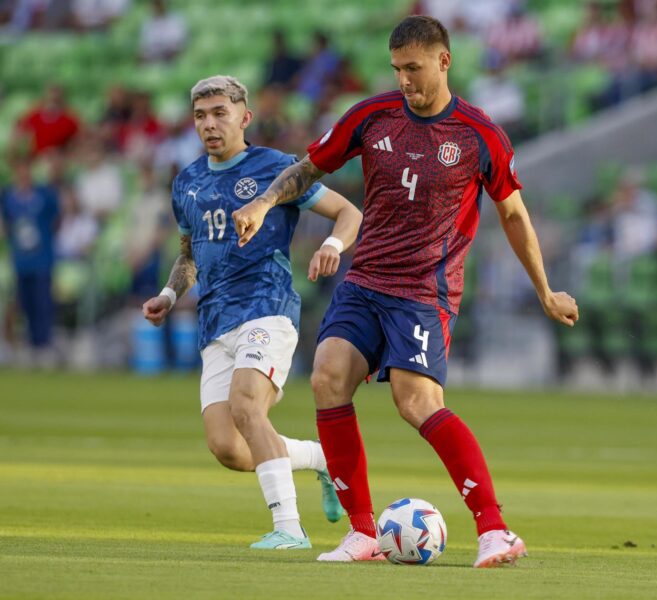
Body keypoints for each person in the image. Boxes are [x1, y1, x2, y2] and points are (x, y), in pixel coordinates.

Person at [232, 16, 579, 567]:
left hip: (424, 290)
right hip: (366, 278)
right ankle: (363, 533)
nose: (404, 81)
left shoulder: (477, 133)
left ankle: (495, 530)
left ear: (444, 61)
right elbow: (307, 167)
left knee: (415, 403)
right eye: (397, 69)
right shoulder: (373, 116)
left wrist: (545, 290)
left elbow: (513, 213)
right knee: (326, 377)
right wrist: (264, 201)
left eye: (413, 69)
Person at [141, 75, 362, 549]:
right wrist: (169, 294)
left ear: (245, 116)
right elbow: (190, 252)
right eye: (201, 116)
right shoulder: (187, 182)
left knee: (247, 405)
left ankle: (289, 529)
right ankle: (320, 458)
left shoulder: (278, 169)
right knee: (228, 448)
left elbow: (350, 213)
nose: (209, 124)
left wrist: (330, 245)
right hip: (214, 321)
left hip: (267, 307)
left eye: (220, 113)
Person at [0, 155, 60, 362]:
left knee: (42, 303)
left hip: (42, 259)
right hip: (21, 260)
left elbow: (56, 219)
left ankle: (44, 346)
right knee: (24, 304)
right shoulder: (9, 196)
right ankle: (29, 345)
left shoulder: (43, 195)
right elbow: (7, 224)